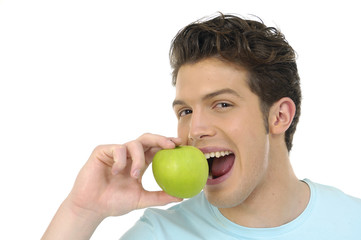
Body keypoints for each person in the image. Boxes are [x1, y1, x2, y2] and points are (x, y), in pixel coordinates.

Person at [42, 13, 361, 240]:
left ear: (279, 117)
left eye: (222, 104)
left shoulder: (353, 223)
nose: (195, 128)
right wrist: (81, 211)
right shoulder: (162, 233)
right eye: (185, 111)